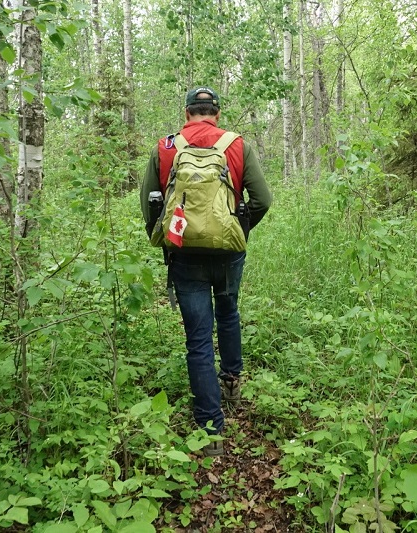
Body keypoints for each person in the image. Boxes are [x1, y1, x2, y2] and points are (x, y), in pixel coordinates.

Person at [141, 86, 272, 456]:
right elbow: (262, 199)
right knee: (228, 312)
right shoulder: (237, 145)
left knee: (198, 339)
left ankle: (211, 429)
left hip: (184, 252)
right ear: (216, 112)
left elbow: (148, 202)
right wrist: (238, 228)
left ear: (187, 113)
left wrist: (166, 238)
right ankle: (232, 381)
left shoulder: (166, 148)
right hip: (228, 253)